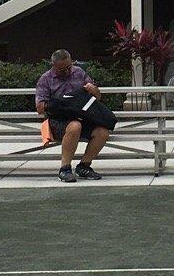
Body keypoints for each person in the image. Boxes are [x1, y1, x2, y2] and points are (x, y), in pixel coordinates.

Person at [34, 48, 116, 181]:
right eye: (62, 70)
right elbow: (40, 107)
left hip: (83, 116)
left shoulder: (79, 72)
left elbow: (98, 97)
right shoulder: (46, 79)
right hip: (58, 120)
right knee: (75, 126)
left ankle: (84, 166)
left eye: (69, 67)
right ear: (53, 66)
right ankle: (65, 168)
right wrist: (62, 103)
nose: (67, 71)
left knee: (102, 131)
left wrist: (93, 90)